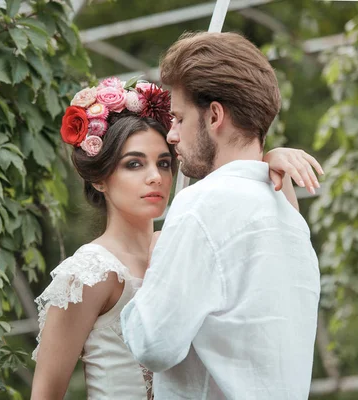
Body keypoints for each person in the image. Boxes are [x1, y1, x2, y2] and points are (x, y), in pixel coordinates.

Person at [31, 75, 322, 399]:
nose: (155, 177)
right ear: (100, 178)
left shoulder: (191, 243)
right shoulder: (88, 273)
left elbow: (275, 233)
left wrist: (267, 163)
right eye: (134, 164)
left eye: (164, 163)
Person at [120, 32, 322, 400]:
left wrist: (154, 267)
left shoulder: (202, 205)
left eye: (179, 118)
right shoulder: (293, 222)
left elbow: (154, 343)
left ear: (214, 115)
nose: (172, 135)